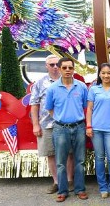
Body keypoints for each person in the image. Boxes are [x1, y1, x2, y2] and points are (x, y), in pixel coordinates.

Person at [45, 57, 89, 203]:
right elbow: (50, 109)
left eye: (70, 67)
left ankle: (80, 189)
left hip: (79, 127)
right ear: (59, 69)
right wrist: (60, 118)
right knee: (61, 162)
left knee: (80, 160)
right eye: (64, 68)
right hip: (60, 128)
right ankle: (63, 191)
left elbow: (84, 105)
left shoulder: (82, 87)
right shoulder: (52, 89)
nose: (68, 70)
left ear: (74, 69)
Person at [30, 55, 74, 194]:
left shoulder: (70, 82)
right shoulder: (39, 83)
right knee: (51, 154)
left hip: (66, 124)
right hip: (47, 125)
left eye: (57, 64)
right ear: (46, 66)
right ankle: (56, 182)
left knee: (69, 154)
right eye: (51, 64)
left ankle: (69, 180)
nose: (55, 67)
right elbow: (34, 104)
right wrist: (35, 125)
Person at [85, 63, 110, 198]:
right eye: (103, 73)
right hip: (96, 129)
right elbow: (89, 109)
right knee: (100, 158)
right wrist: (89, 126)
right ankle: (103, 187)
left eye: (109, 73)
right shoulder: (93, 89)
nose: (106, 75)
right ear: (99, 74)